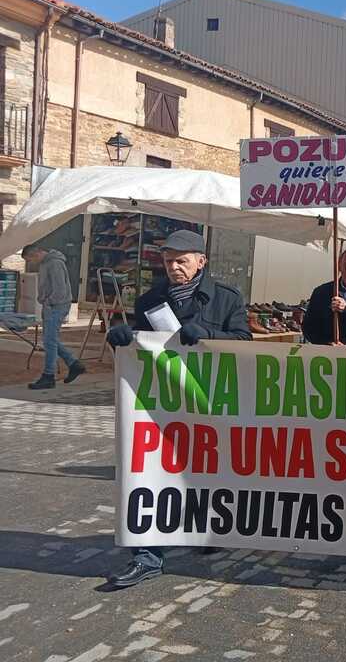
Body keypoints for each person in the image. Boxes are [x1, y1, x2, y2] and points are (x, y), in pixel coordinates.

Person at [105, 229, 251, 587]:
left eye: (181, 261)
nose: (174, 267)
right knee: (152, 473)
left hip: (210, 403)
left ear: (201, 261)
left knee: (207, 473)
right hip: (163, 407)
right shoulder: (149, 300)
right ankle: (147, 555)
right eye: (168, 261)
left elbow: (245, 343)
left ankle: (207, 529)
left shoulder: (227, 299)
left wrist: (209, 336)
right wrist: (122, 341)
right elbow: (141, 350)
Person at [21, 243, 84, 389]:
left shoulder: (54, 263)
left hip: (57, 306)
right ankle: (74, 364)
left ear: (36, 254)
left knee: (50, 341)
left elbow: (60, 290)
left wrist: (48, 302)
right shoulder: (45, 263)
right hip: (51, 306)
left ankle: (49, 375)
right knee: (50, 340)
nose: (31, 263)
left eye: (30, 260)